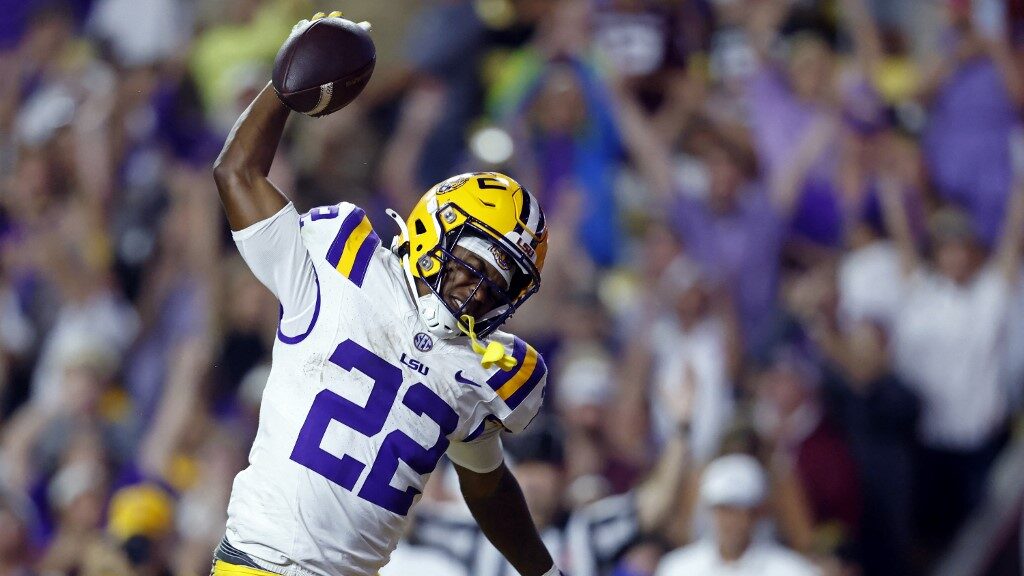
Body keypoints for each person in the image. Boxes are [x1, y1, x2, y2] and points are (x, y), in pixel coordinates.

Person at [210, 12, 562, 576]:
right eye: (471, 267)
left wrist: (543, 572)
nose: (477, 293)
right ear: (433, 233)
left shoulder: (482, 370)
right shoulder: (338, 264)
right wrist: (282, 90)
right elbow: (237, 174)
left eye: (500, 285)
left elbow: (488, 485)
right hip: (263, 564)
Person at [654, 454, 819, 576]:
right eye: (723, 510)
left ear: (757, 514)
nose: (730, 521)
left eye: (739, 511)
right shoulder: (676, 569)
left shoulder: (793, 570)